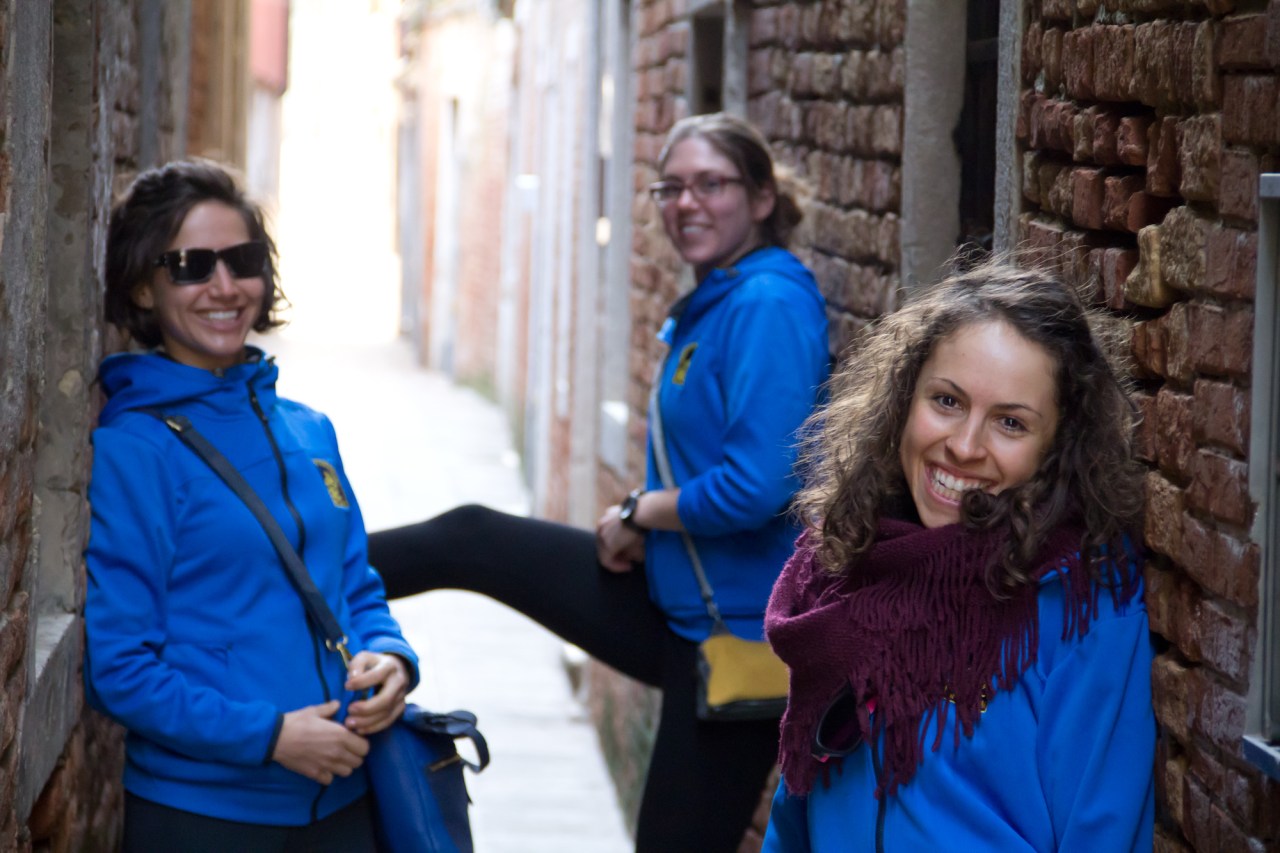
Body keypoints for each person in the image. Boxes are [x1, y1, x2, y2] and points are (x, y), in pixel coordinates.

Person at [368, 112, 830, 851]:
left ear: (762, 198)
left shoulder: (768, 304)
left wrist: (641, 512)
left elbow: (757, 486)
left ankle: (285, 577)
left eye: (711, 184)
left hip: (735, 636)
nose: (687, 204)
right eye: (670, 188)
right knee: (473, 537)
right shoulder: (720, 296)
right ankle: (287, 576)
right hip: (677, 605)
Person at [761, 260, 1155, 851]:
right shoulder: (847, 568)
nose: (965, 447)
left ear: (1057, 449)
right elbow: (797, 805)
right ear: (903, 400)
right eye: (946, 401)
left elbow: (1102, 834)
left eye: (1010, 424)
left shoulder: (1082, 605)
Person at [85, 160, 418, 852]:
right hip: (207, 816)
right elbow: (119, 666)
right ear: (145, 285)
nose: (225, 287)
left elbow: (355, 586)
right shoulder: (137, 447)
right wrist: (270, 737)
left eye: (243, 261)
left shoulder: (309, 428)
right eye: (191, 266)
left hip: (347, 800)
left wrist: (391, 656)